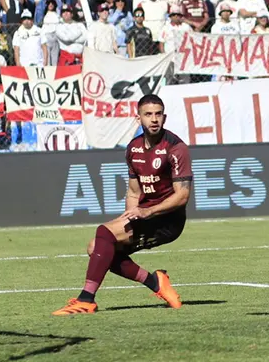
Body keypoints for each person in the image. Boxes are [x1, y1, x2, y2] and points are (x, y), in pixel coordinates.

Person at [53, 94, 190, 315]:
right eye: (148, 115)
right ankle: (155, 283)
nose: (153, 119)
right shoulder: (133, 148)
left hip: (168, 221)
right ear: (139, 119)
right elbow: (134, 192)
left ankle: (86, 300)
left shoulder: (176, 148)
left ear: (164, 118)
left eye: (158, 114)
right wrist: (128, 215)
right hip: (146, 215)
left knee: (103, 233)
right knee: (96, 246)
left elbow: (182, 196)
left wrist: (149, 210)